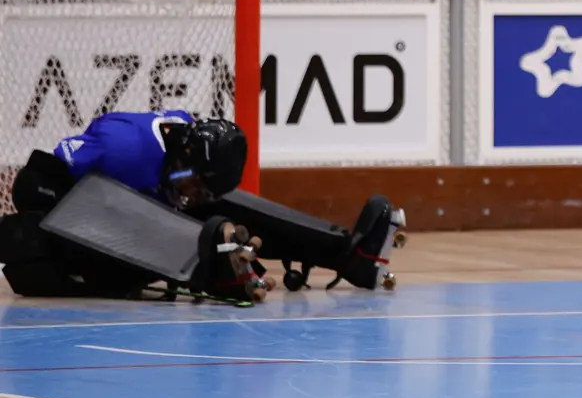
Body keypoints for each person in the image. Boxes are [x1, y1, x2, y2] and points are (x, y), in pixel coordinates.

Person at [0, 110, 404, 303]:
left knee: (229, 210)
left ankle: (350, 255)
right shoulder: (123, 149)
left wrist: (201, 201)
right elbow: (34, 183)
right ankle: (213, 270)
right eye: (193, 183)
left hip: (151, 199)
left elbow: (196, 190)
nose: (194, 194)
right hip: (88, 217)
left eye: (201, 189)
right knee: (160, 221)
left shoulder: (188, 149)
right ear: (182, 155)